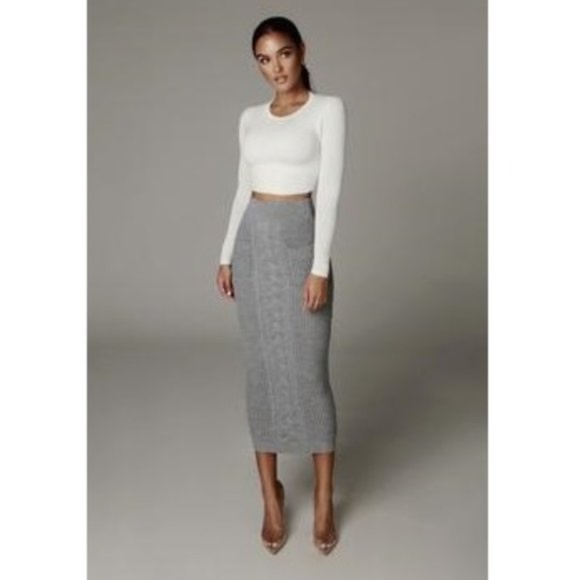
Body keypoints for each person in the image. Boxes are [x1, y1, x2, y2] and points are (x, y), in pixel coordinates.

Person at [215, 16, 346, 556]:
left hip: (299, 243)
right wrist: (226, 254)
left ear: (302, 52)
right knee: (263, 374)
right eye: (264, 59)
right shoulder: (249, 118)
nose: (276, 68)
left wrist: (319, 266)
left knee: (310, 376)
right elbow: (242, 187)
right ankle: (270, 497)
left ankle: (323, 498)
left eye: (284, 54)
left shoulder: (327, 109)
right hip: (253, 246)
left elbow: (330, 191)